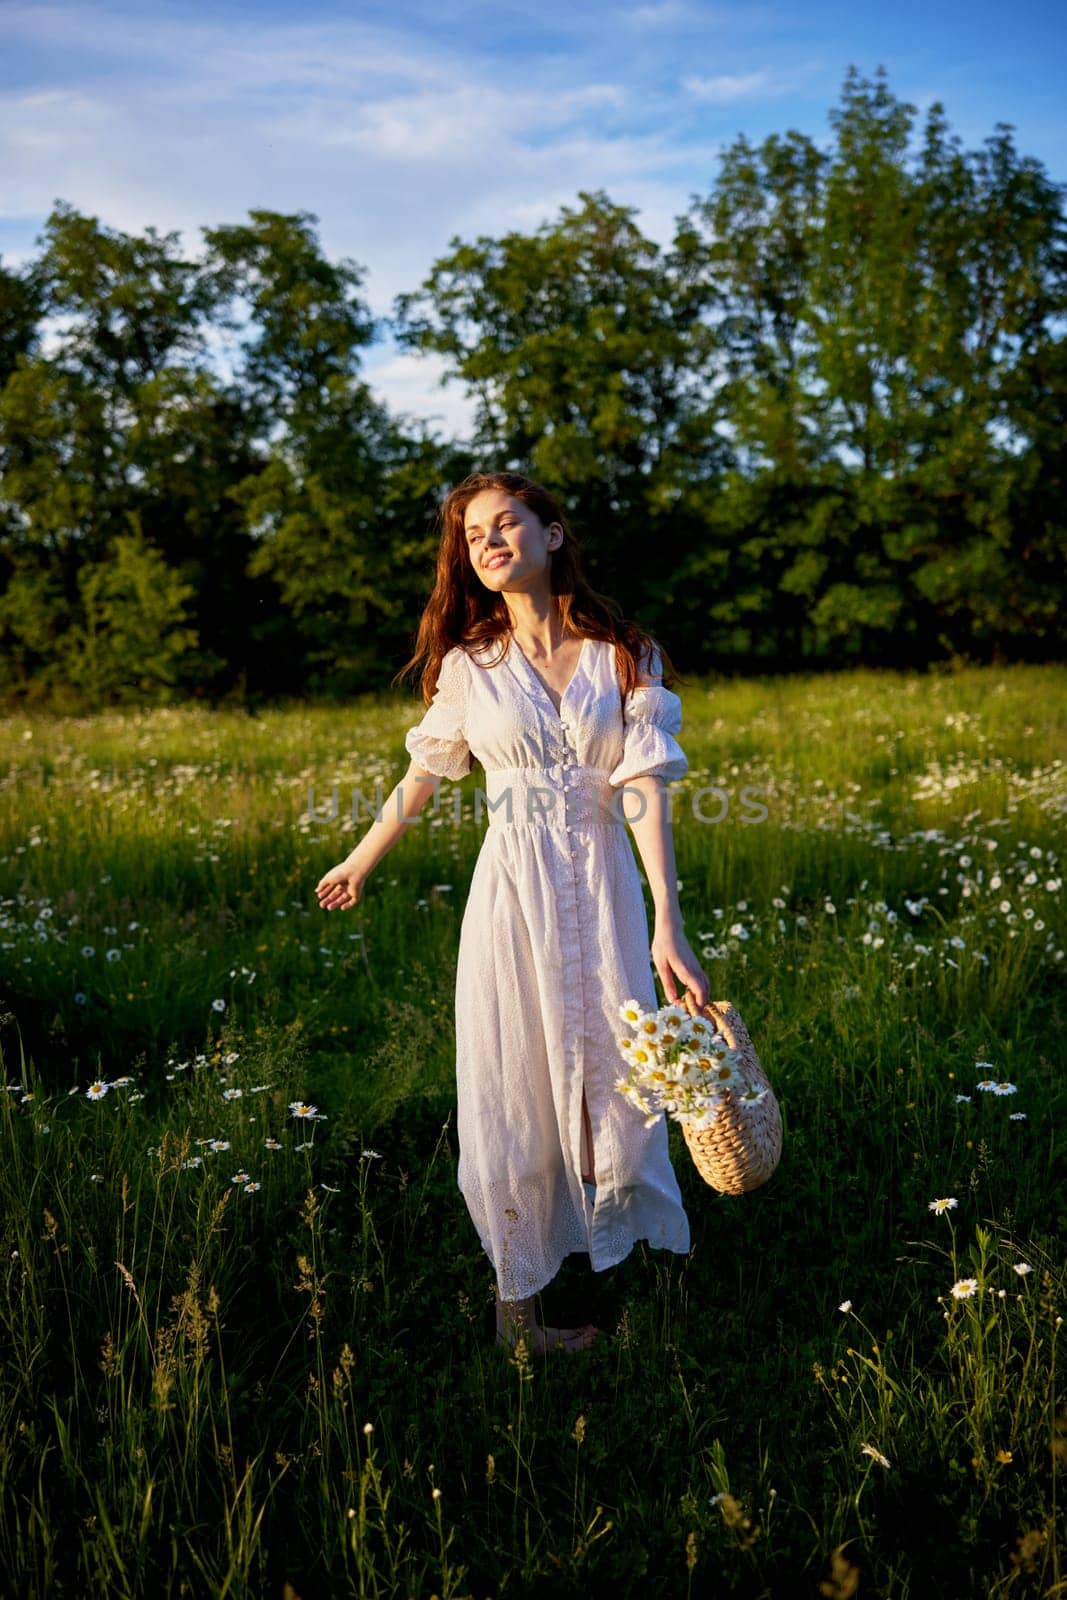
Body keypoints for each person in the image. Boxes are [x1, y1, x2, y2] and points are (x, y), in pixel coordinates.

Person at [316, 471, 709, 1354]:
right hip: (512, 896)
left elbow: (641, 784)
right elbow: (424, 773)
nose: (489, 543)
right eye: (472, 536)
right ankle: (516, 1318)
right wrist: (360, 857)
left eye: (506, 524)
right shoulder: (469, 664)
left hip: (605, 886)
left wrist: (667, 920)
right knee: (510, 1084)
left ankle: (628, 1263)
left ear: (553, 534)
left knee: (616, 1072)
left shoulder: (622, 651)